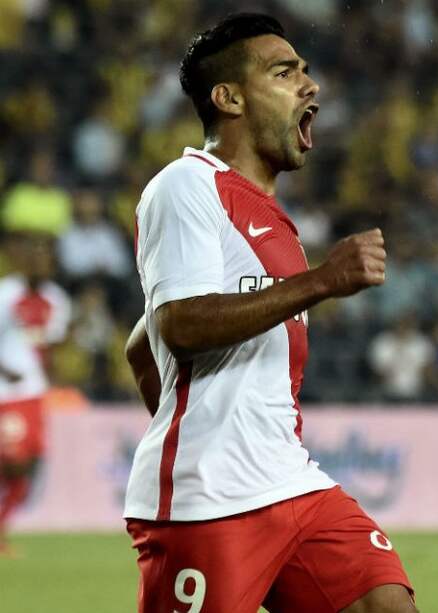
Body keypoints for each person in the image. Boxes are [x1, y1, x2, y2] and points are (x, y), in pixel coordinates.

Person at [122, 14, 416, 613]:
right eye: (284, 72)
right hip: (210, 503)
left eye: (306, 71)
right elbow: (176, 325)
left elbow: (139, 345)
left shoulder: (270, 217)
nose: (309, 85)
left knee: (387, 603)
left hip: (290, 481)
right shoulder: (185, 186)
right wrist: (322, 281)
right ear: (227, 98)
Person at [0, 233, 71, 555]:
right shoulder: (6, 294)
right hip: (5, 392)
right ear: (23, 261)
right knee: (11, 461)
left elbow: (48, 344)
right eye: (34, 258)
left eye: (45, 260)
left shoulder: (57, 300)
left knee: (26, 464)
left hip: (32, 392)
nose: (39, 264)